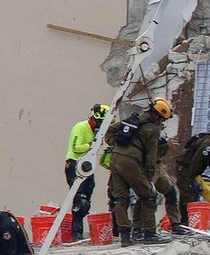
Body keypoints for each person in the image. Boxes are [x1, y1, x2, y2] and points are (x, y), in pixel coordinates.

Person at [105, 97, 174, 247]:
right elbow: (150, 156)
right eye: (162, 119)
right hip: (130, 162)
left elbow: (110, 130)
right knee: (148, 196)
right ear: (157, 116)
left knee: (121, 198)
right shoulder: (152, 129)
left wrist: (114, 144)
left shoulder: (132, 119)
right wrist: (148, 179)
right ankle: (149, 233)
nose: (161, 122)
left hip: (115, 158)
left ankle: (125, 237)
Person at [130, 136, 193, 239]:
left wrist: (166, 145)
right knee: (146, 195)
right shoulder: (147, 128)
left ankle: (175, 224)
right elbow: (148, 150)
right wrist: (166, 146)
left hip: (157, 165)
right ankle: (138, 228)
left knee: (171, 192)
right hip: (147, 166)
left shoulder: (156, 127)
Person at [64, 104, 110, 241]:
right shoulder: (81, 127)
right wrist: (92, 144)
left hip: (87, 167)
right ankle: (76, 234)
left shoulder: (96, 131)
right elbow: (76, 147)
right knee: (79, 199)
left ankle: (80, 231)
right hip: (74, 165)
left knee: (87, 197)